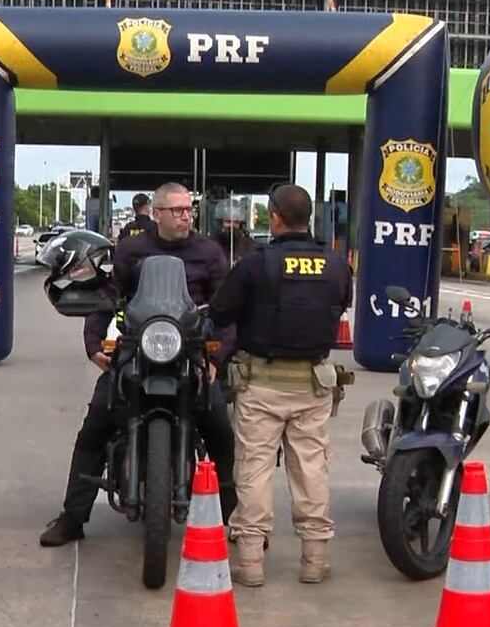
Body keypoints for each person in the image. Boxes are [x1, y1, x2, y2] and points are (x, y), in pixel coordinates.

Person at [40, 182, 240, 546]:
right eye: (177, 210)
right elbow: (108, 293)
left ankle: (236, 519)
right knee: (96, 424)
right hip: (138, 344)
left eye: (188, 209)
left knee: (221, 430)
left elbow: (225, 310)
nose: (185, 216)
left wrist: (215, 359)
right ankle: (72, 517)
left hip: (191, 348)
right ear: (157, 213)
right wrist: (93, 344)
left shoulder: (209, 252)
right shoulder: (132, 249)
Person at [208, 183, 352, 587]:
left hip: (262, 385)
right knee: (311, 470)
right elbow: (339, 305)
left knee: (254, 469)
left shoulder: (256, 264)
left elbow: (220, 312)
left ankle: (251, 563)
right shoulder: (336, 264)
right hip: (313, 385)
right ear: (310, 218)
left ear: (273, 217)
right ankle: (314, 559)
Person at [210, 199, 258, 265]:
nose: (232, 225)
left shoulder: (249, 247)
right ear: (220, 223)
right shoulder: (209, 246)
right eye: (228, 222)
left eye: (236, 222)